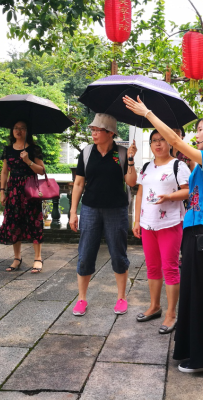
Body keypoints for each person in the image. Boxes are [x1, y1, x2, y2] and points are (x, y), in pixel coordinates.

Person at [123, 95, 203, 374]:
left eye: (200, 130)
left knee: (201, 296)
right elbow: (174, 146)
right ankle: (198, 352)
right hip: (196, 234)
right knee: (195, 295)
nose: (196, 135)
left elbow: (174, 140)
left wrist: (148, 113)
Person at [69, 113, 138, 316]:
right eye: (92, 129)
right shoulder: (87, 152)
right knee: (85, 254)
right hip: (90, 209)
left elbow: (131, 182)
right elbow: (79, 183)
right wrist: (73, 211)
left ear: (110, 133)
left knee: (118, 254)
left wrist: (131, 159)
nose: (93, 133)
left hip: (116, 210)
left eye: (97, 130)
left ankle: (121, 297)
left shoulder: (121, 153)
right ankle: (81, 299)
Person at [133, 129, 190, 334]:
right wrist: (137, 220)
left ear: (171, 143)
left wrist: (169, 197)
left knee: (170, 268)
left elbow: (188, 190)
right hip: (148, 224)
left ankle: (171, 314)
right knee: (152, 267)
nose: (158, 144)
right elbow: (140, 193)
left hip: (170, 224)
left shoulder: (178, 165)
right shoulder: (147, 167)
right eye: (154, 140)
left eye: (162, 140)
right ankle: (155, 306)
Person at [0, 121, 46, 273]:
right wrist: (2, 191)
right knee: (14, 222)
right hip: (13, 190)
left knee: (34, 221)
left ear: (27, 131)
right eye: (16, 128)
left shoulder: (34, 149)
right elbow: (4, 171)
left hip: (30, 190)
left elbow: (42, 170)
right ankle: (17, 257)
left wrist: (28, 161)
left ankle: (37, 258)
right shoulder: (8, 150)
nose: (18, 131)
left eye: (22, 128)